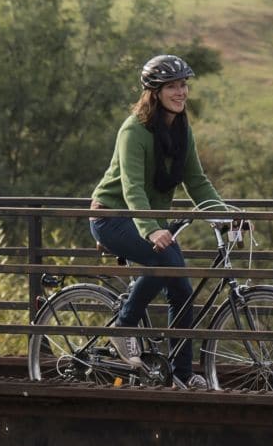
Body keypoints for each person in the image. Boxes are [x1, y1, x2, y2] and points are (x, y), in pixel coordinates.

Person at [89, 54, 224, 389]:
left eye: (183, 85)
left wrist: (225, 216)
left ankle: (181, 374)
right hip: (112, 216)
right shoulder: (134, 130)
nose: (181, 92)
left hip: (148, 219)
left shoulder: (181, 130)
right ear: (155, 92)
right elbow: (131, 187)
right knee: (163, 261)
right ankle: (123, 328)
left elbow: (197, 181)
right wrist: (152, 228)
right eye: (172, 87)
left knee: (182, 288)